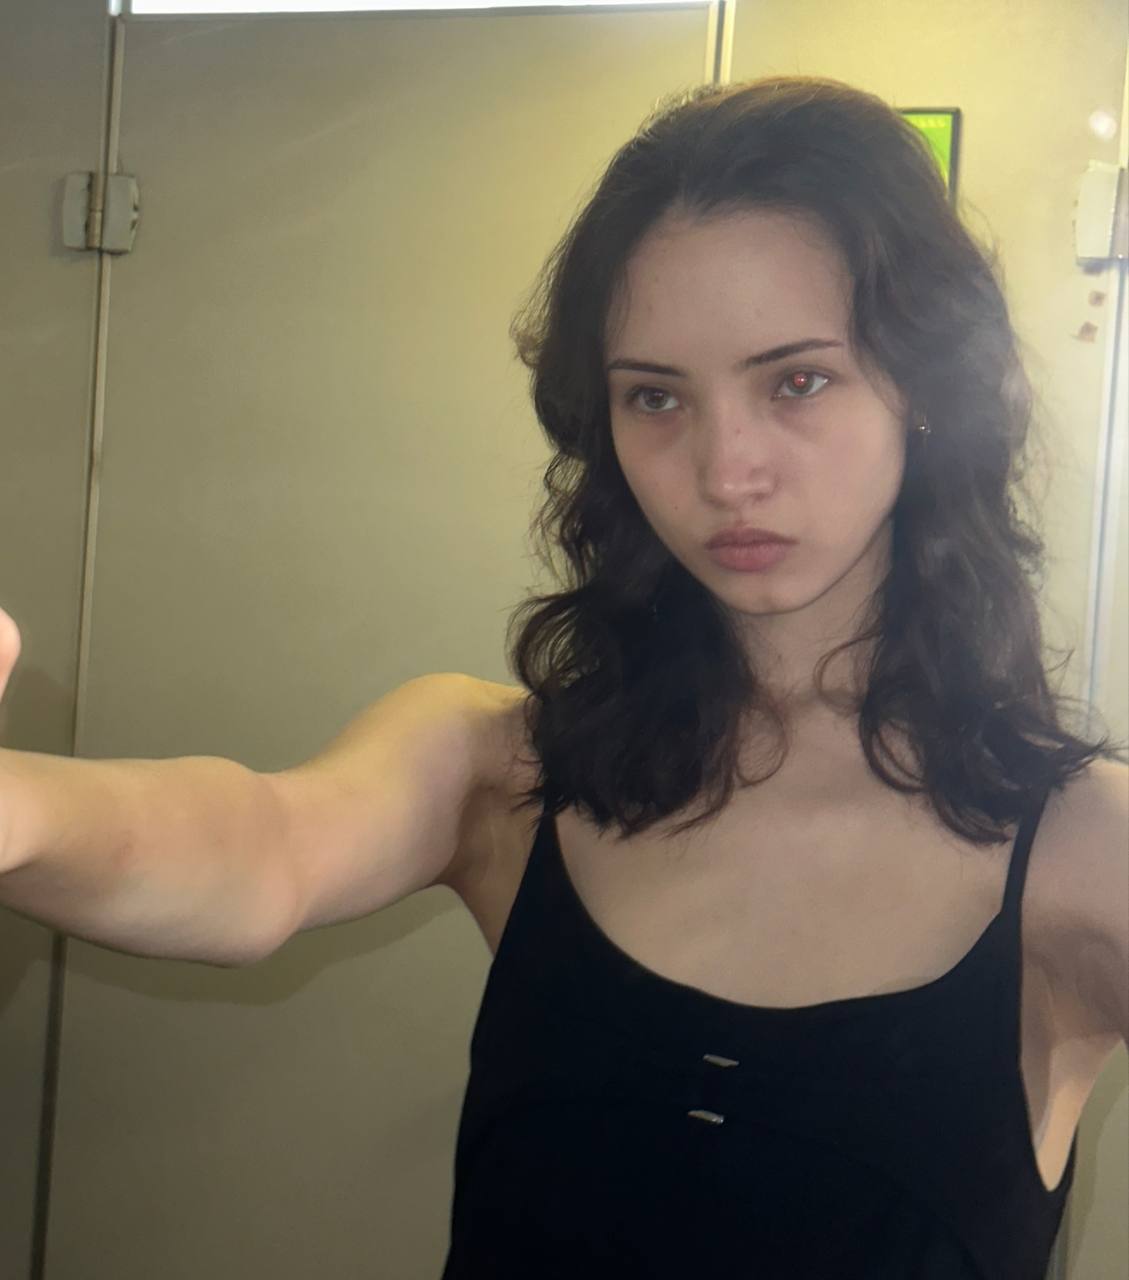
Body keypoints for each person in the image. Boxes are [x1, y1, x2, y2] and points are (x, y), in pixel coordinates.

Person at [0, 75, 1126, 1279]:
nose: (724, 468)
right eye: (656, 396)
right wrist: (21, 807)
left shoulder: (1082, 848)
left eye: (796, 379)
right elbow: (258, 845)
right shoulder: (507, 766)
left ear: (922, 390)